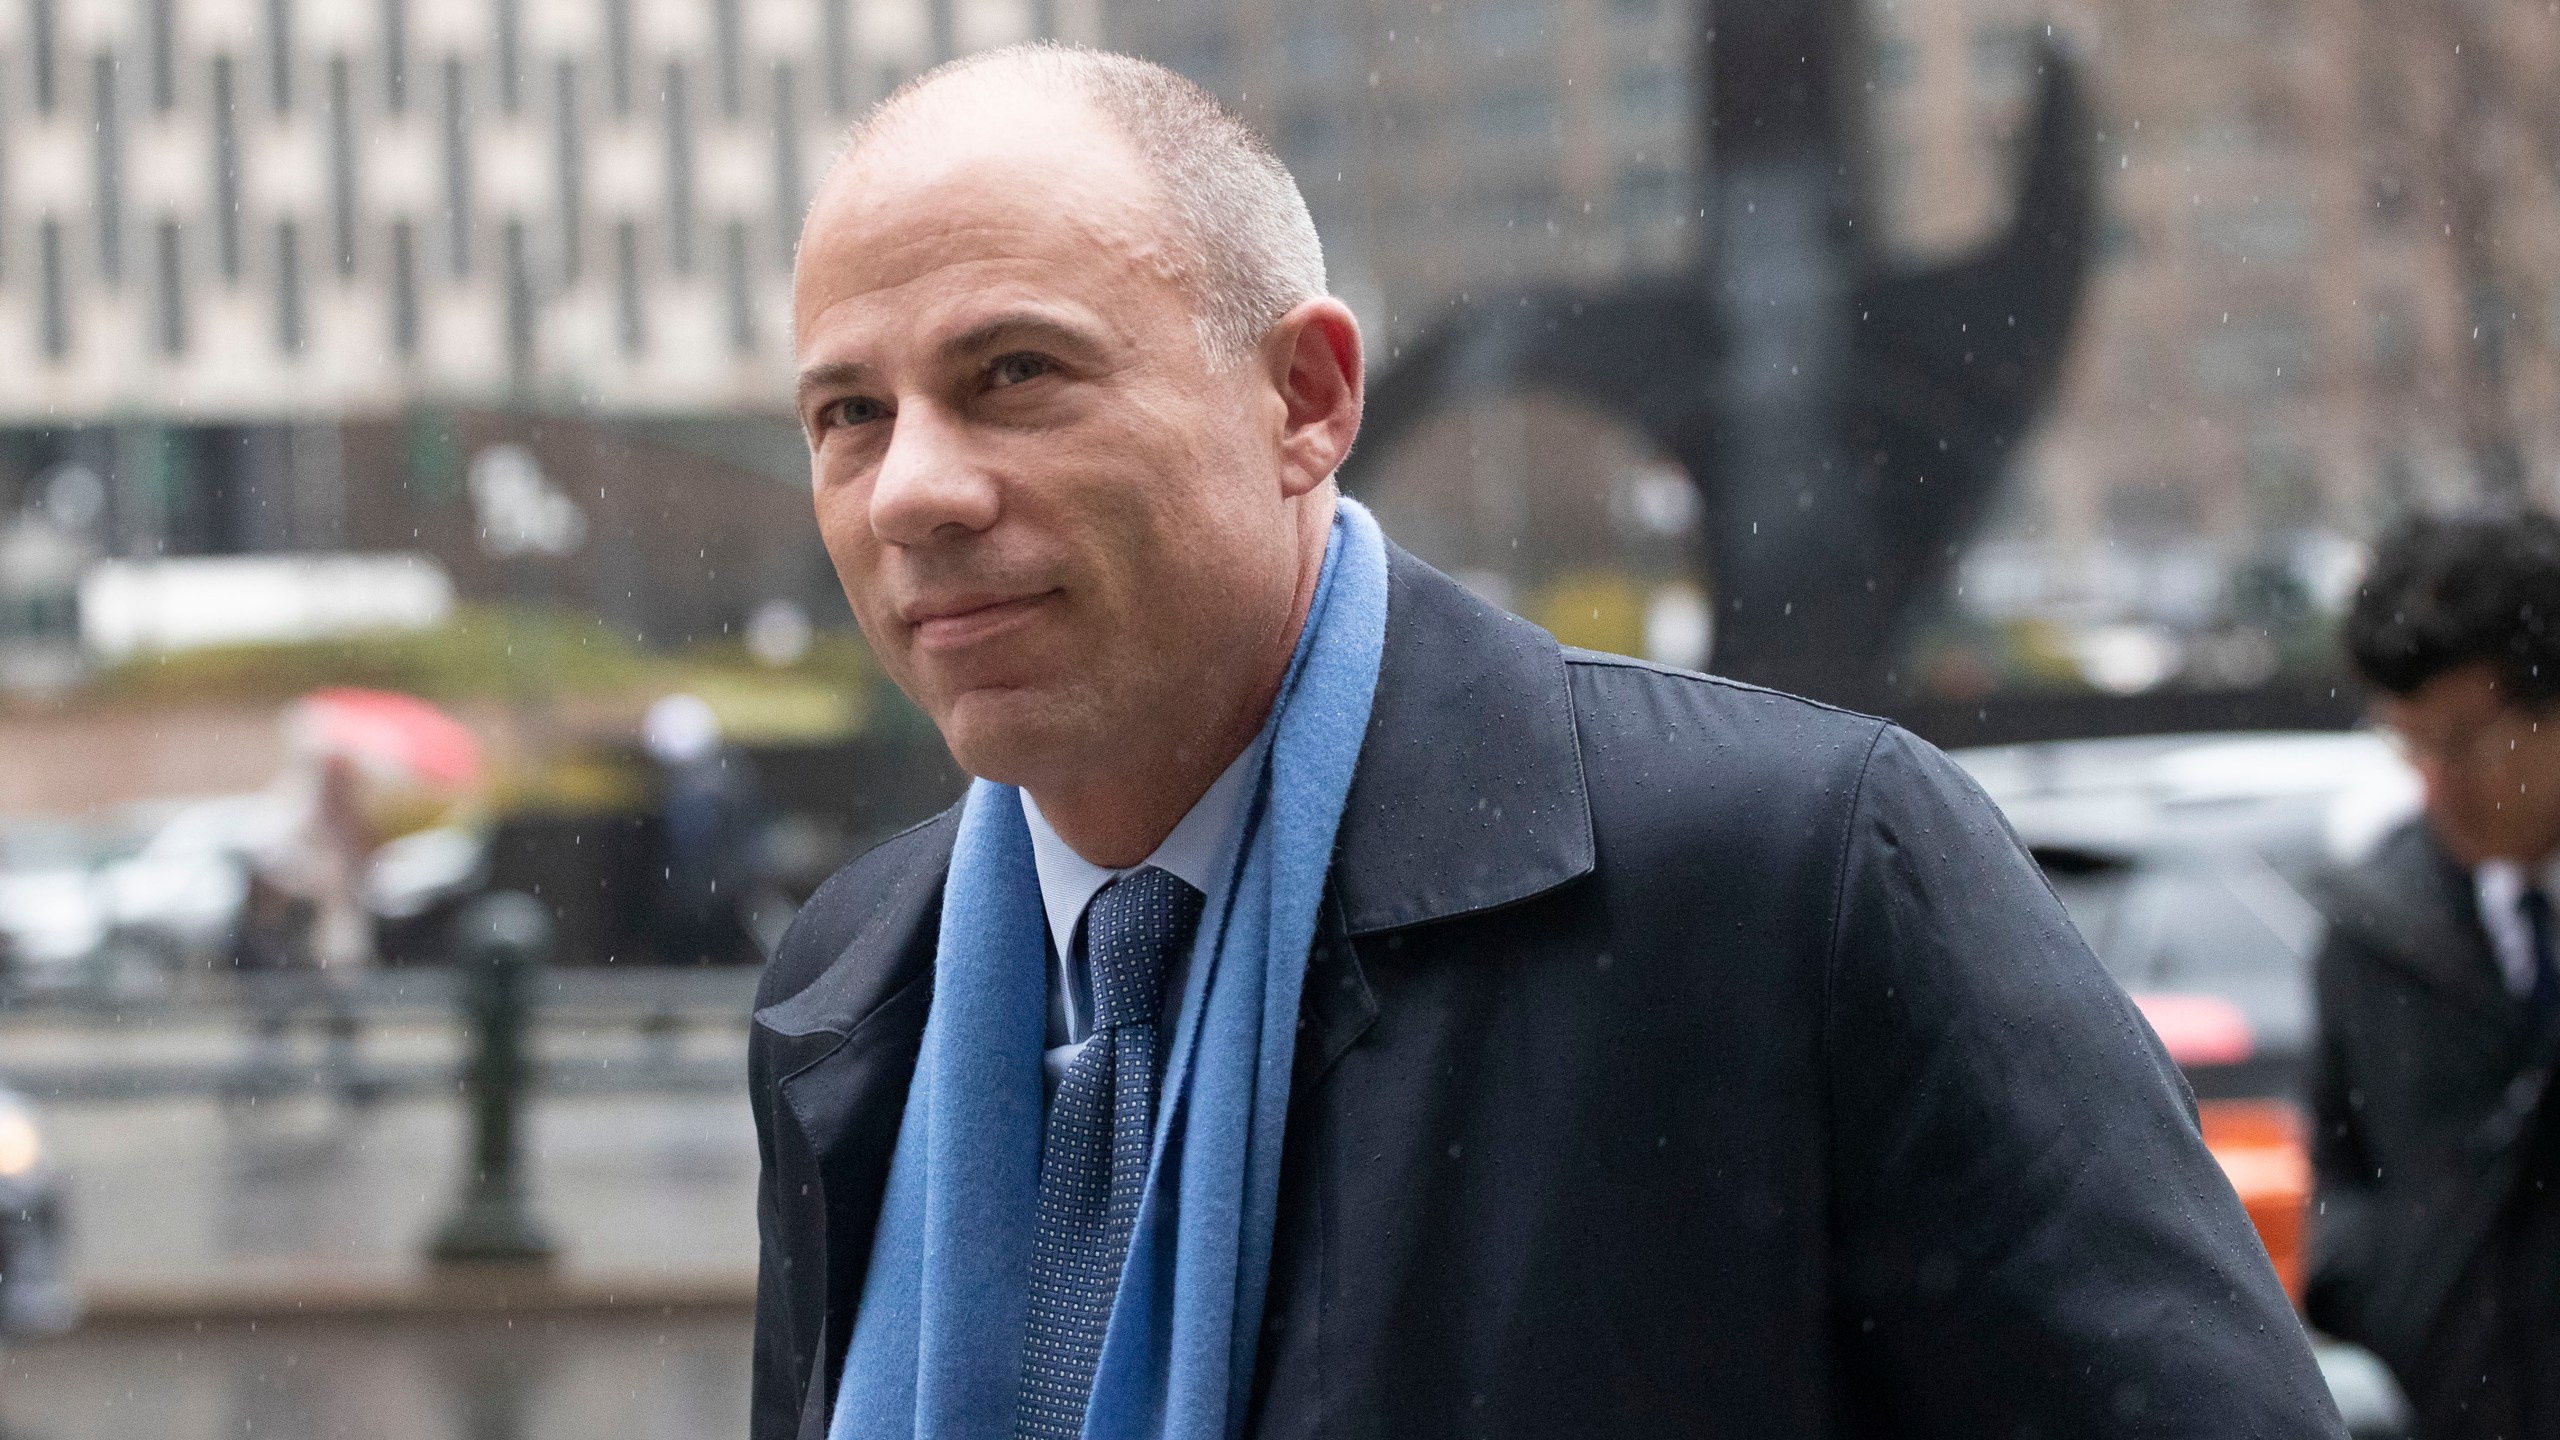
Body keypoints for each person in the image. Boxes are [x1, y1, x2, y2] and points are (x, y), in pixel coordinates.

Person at [752, 43, 2340, 1440]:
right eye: (850, 415)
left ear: (1306, 397)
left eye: (1015, 373)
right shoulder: (850, 978)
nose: (914, 492)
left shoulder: (1794, 882)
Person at [2312, 509, 2560, 1437]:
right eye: (2409, 745)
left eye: (2462, 745)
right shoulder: (2376, 929)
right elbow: (2345, 1169)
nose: (2436, 786)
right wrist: (2374, 1295)